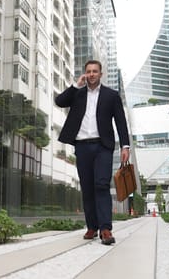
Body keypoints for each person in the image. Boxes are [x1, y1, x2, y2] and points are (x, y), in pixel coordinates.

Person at [55, 60, 130, 245]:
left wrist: (125, 146)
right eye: (88, 71)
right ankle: (92, 227)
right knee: (87, 187)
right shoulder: (77, 94)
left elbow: (120, 122)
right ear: (85, 74)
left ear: (101, 74)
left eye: (95, 71)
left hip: (103, 146)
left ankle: (105, 228)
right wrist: (75, 85)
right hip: (82, 146)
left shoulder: (111, 95)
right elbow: (59, 101)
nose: (91, 74)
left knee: (102, 185)